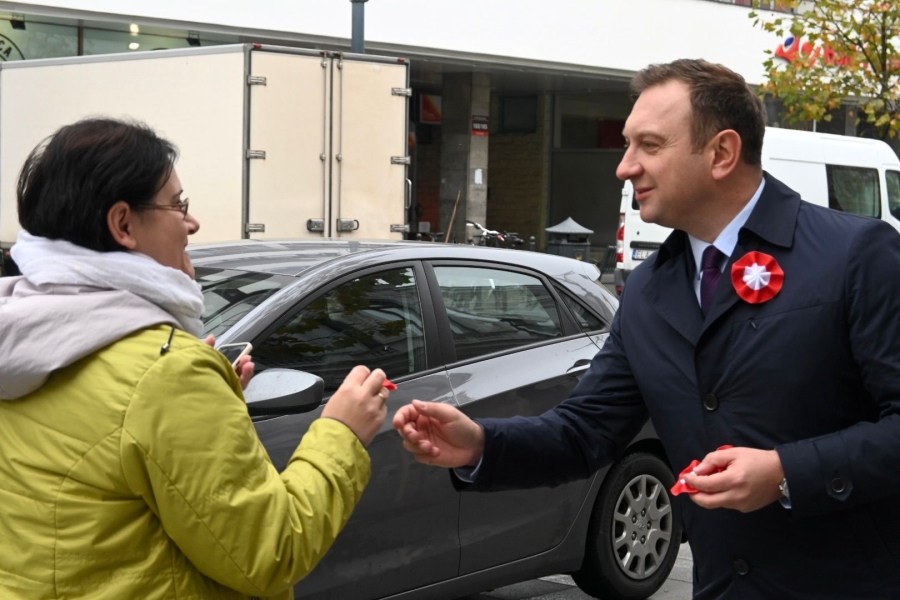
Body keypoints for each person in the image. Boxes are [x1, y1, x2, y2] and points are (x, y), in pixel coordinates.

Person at [395, 59, 900, 599]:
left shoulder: (855, 255)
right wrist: (480, 444)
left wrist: (786, 473)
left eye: (650, 146)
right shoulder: (648, 290)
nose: (625, 167)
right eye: (627, 145)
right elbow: (585, 431)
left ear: (722, 153)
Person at [0, 118, 390, 599]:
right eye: (177, 205)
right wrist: (342, 432)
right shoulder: (166, 373)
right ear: (123, 224)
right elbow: (272, 552)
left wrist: (208, 396)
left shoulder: (22, 341)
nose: (192, 223)